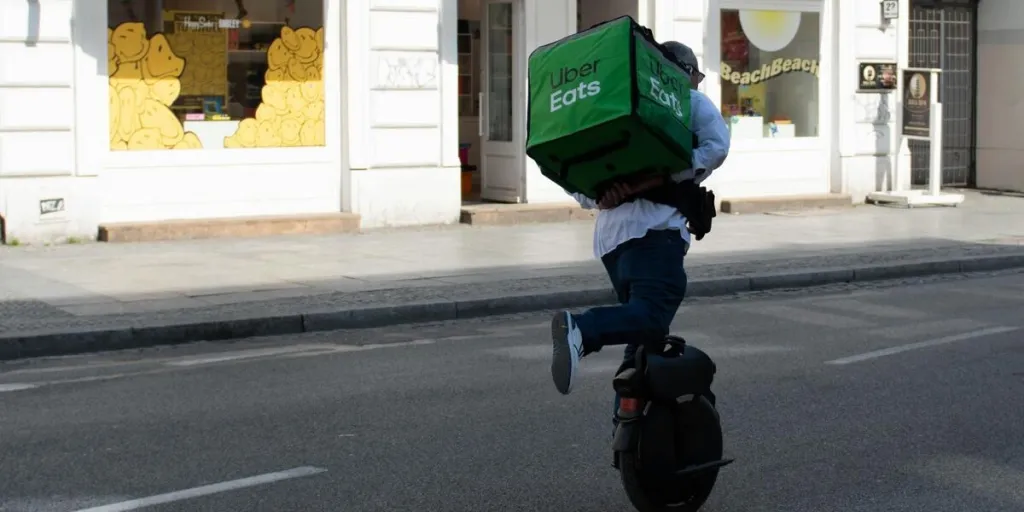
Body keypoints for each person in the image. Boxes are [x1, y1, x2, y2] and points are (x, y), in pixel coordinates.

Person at [549, 41, 731, 398]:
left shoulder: (617, 106)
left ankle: (630, 431)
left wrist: (602, 197)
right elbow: (716, 146)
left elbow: (578, 178)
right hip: (654, 231)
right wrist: (666, 176)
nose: (696, 83)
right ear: (681, 71)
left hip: (611, 242)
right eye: (696, 74)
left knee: (644, 338)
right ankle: (582, 330)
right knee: (652, 315)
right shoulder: (686, 101)